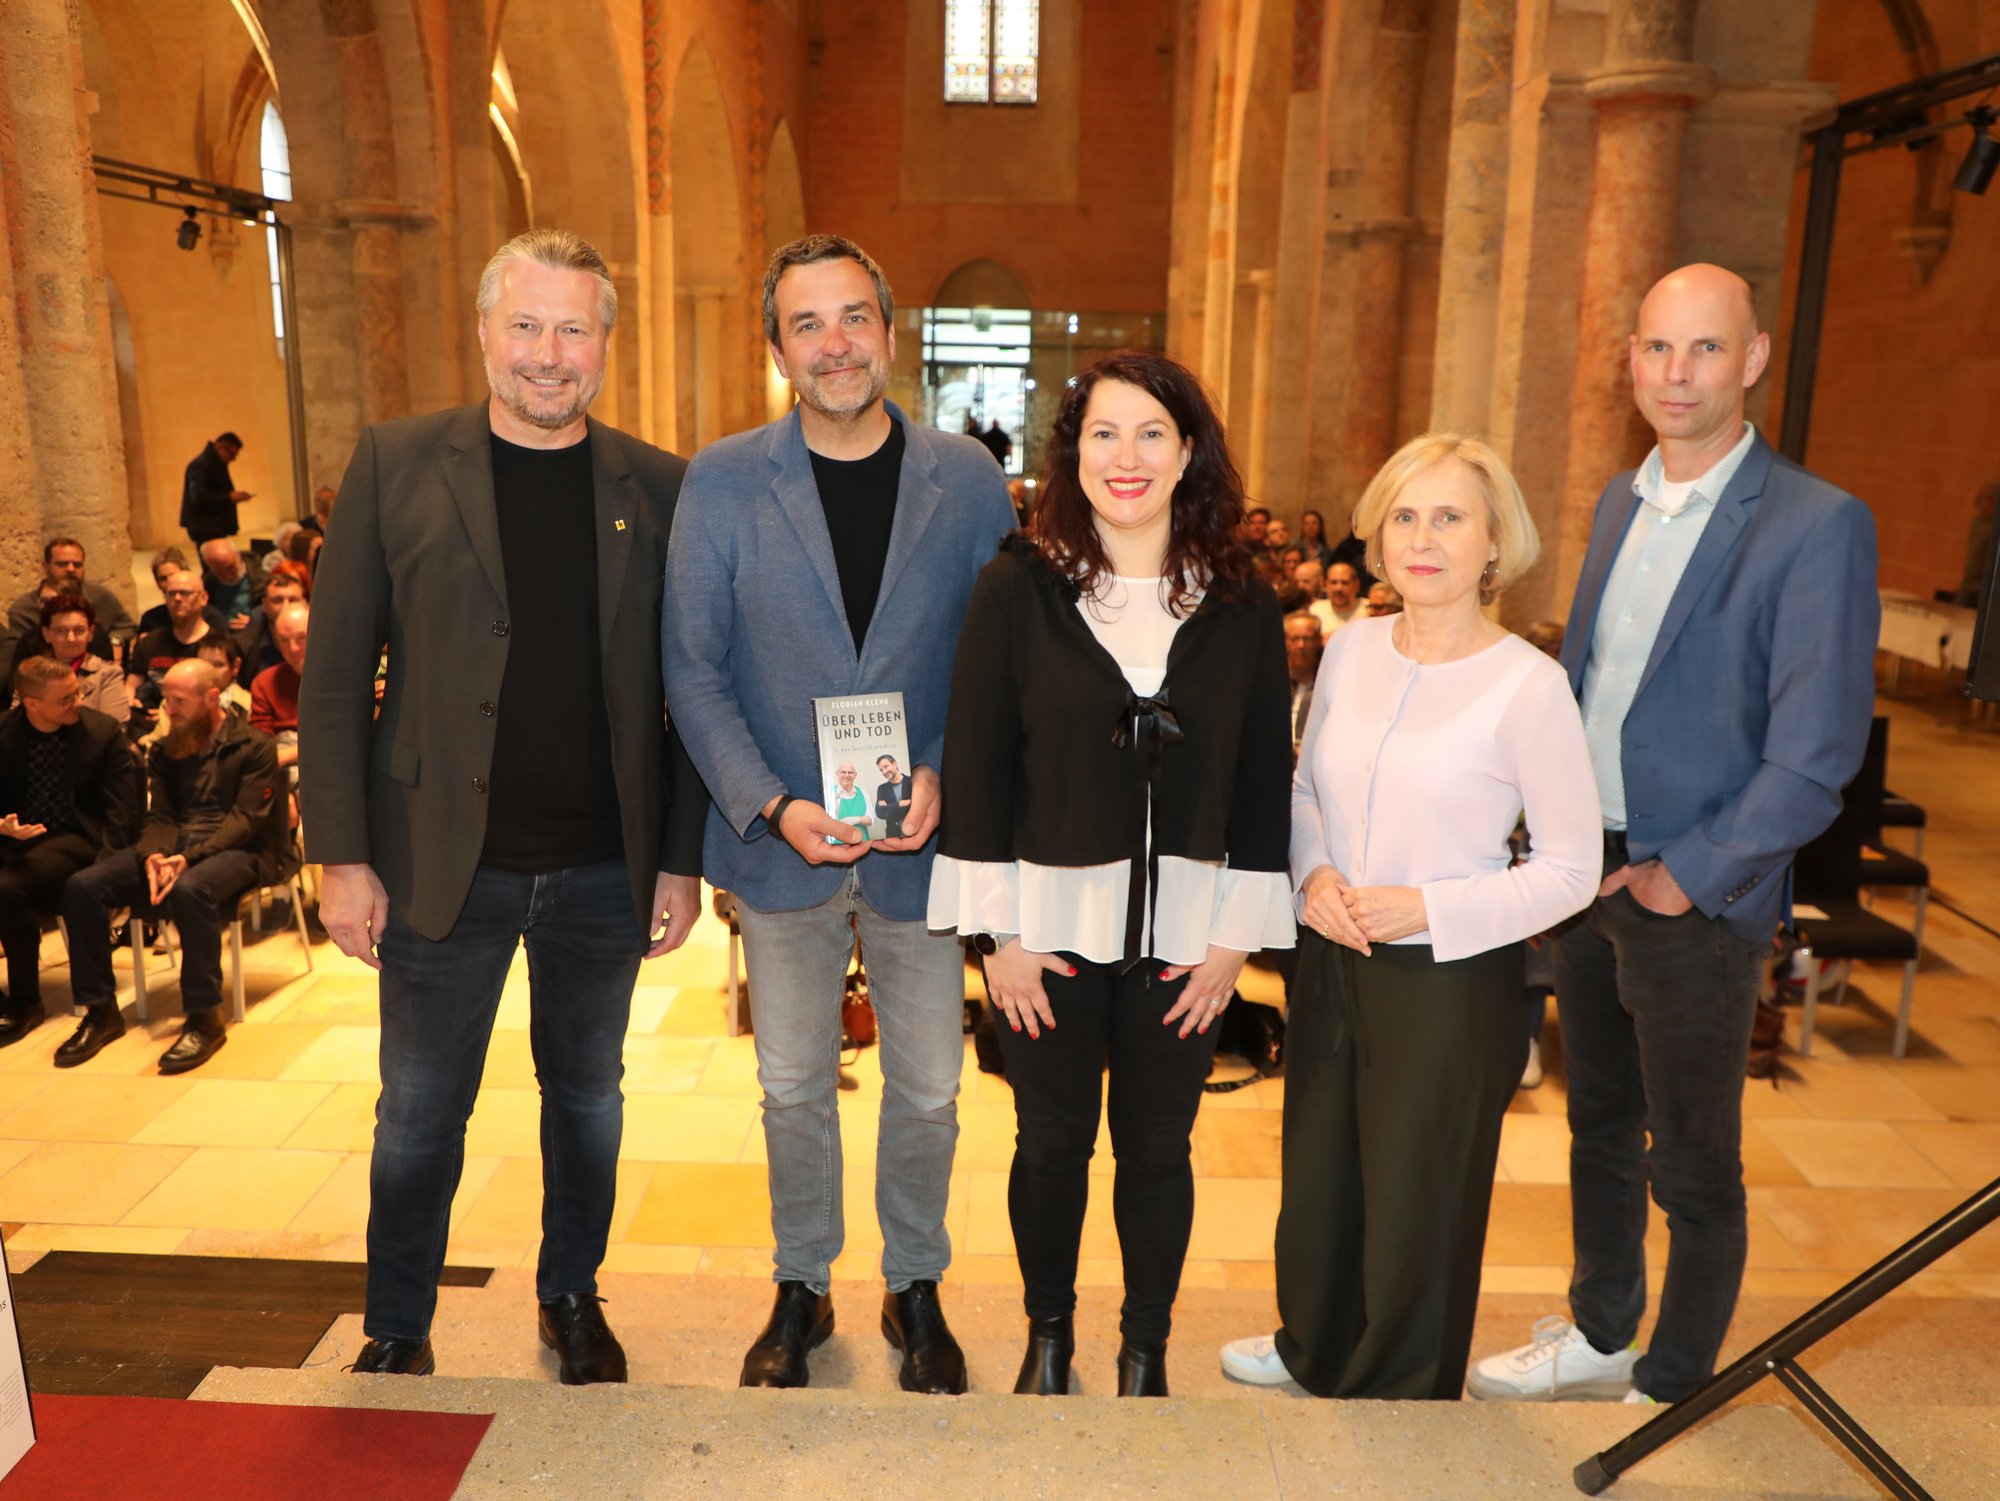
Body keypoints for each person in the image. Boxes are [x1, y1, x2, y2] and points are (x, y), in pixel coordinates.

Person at [300, 227, 709, 1385]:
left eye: (572, 328)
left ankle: (570, 1294)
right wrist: (341, 855)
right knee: (418, 1111)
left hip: (601, 865)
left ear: (605, 344)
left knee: (586, 1099)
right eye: (525, 324)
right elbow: (335, 676)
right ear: (483, 332)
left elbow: (692, 687)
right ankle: (397, 1321)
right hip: (439, 861)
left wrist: (679, 857)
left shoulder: (660, 486)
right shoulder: (395, 462)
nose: (547, 353)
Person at [1469, 264, 1879, 1407]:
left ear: (1751, 358)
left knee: (1690, 1160)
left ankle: (1671, 1383)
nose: (1676, 373)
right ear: (1630, 361)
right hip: (1586, 873)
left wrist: (1683, 877)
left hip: (1692, 896)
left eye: (1703, 348)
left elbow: (1815, 755)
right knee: (1596, 1122)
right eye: (1656, 348)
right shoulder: (1619, 500)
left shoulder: (1814, 523)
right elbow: (1591, 683)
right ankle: (1601, 1330)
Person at [663, 233, 1014, 1396]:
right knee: (791, 1086)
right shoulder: (722, 480)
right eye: (805, 324)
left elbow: (1000, 659)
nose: (834, 344)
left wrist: (946, 769)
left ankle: (914, 1283)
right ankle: (800, 1284)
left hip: (919, 844)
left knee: (930, 1088)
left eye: (853, 316)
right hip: (783, 846)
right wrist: (769, 804)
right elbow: (691, 667)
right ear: (777, 349)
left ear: (888, 329)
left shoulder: (964, 477)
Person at [931, 350, 1295, 1399]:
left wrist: (1230, 944)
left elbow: (1261, 781)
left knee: (1157, 1149)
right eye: (1102, 433)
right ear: (1072, 451)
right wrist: (997, 938)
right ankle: (1048, 1339)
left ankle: (1145, 1350)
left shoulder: (1240, 601)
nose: (1124, 457)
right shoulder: (1018, 586)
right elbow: (978, 764)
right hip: (1044, 930)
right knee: (1049, 1145)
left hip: (1186, 938)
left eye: (1150, 434)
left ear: (1188, 452)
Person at [1220, 432, 1600, 1400]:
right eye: (1404, 517)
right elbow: (1303, 789)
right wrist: (1312, 876)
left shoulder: (1529, 686)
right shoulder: (1351, 648)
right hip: (1332, 949)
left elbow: (1571, 871)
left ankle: (1398, 1393)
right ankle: (1312, 1343)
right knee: (1320, 1167)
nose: (1422, 539)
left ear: (1493, 542)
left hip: (1447, 977)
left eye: (1449, 518)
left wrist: (1423, 907)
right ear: (1378, 536)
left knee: (1416, 1194)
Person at [57, 660, 286, 1073]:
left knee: (190, 887)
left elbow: (245, 821)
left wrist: (188, 859)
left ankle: (204, 1018)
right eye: (166, 699)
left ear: (212, 697)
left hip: (243, 850)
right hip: (177, 845)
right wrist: (154, 855)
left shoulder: (254, 746)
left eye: (178, 700)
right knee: (83, 886)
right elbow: (161, 815)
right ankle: (99, 1010)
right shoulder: (167, 748)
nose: (168, 708)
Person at [0, 657, 142, 1047]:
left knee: (8, 887)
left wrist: (107, 872)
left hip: (77, 835)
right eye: (65, 699)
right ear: (31, 703)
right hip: (15, 836)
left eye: (77, 692)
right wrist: (3, 826)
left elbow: (123, 811)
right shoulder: (5, 732)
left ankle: (26, 1001)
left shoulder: (101, 731)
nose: (77, 702)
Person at [0, 538, 135, 666]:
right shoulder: (24, 608)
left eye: (77, 565)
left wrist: (116, 640)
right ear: (45, 566)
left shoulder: (101, 596)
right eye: (62, 564)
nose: (71, 569)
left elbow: (127, 626)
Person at [20, 595, 128, 723]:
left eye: (79, 630)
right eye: (61, 630)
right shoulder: (31, 674)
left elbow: (116, 727)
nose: (71, 638)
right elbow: (16, 723)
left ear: (91, 633)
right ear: (46, 634)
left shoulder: (108, 674)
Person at [127, 571, 216, 712]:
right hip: (149, 718)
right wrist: (132, 704)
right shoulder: (150, 643)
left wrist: (166, 717)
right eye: (171, 593)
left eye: (185, 593)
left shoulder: (217, 646)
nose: (177, 598)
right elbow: (130, 686)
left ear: (203, 598)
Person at [181, 431, 250, 546]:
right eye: (231, 454)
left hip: (213, 526)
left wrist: (232, 496)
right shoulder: (202, 464)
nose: (233, 459)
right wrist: (229, 498)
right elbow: (198, 496)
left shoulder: (216, 463)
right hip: (205, 527)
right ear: (220, 447)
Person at [1284, 609, 1323, 755]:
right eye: (1295, 639)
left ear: (1319, 641)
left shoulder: (1328, 680)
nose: (1301, 645)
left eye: (1307, 639)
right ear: (1286, 641)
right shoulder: (1272, 680)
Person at [199, 539, 260, 631]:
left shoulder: (261, 579)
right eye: (219, 571)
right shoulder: (206, 584)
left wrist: (256, 622)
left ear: (239, 556)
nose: (227, 575)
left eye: (231, 567)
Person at [828, 761, 874, 841]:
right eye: (843, 772)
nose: (847, 775)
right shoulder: (829, 794)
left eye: (850, 772)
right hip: (838, 843)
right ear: (837, 774)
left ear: (855, 775)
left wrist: (856, 819)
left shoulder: (863, 793)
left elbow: (871, 819)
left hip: (862, 841)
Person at [873, 754, 911, 840]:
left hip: (912, 832)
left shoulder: (911, 781)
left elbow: (917, 804)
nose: (884, 772)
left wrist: (889, 807)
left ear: (894, 764)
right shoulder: (882, 788)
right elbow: (880, 813)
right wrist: (900, 803)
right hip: (893, 836)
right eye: (881, 770)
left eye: (886, 767)